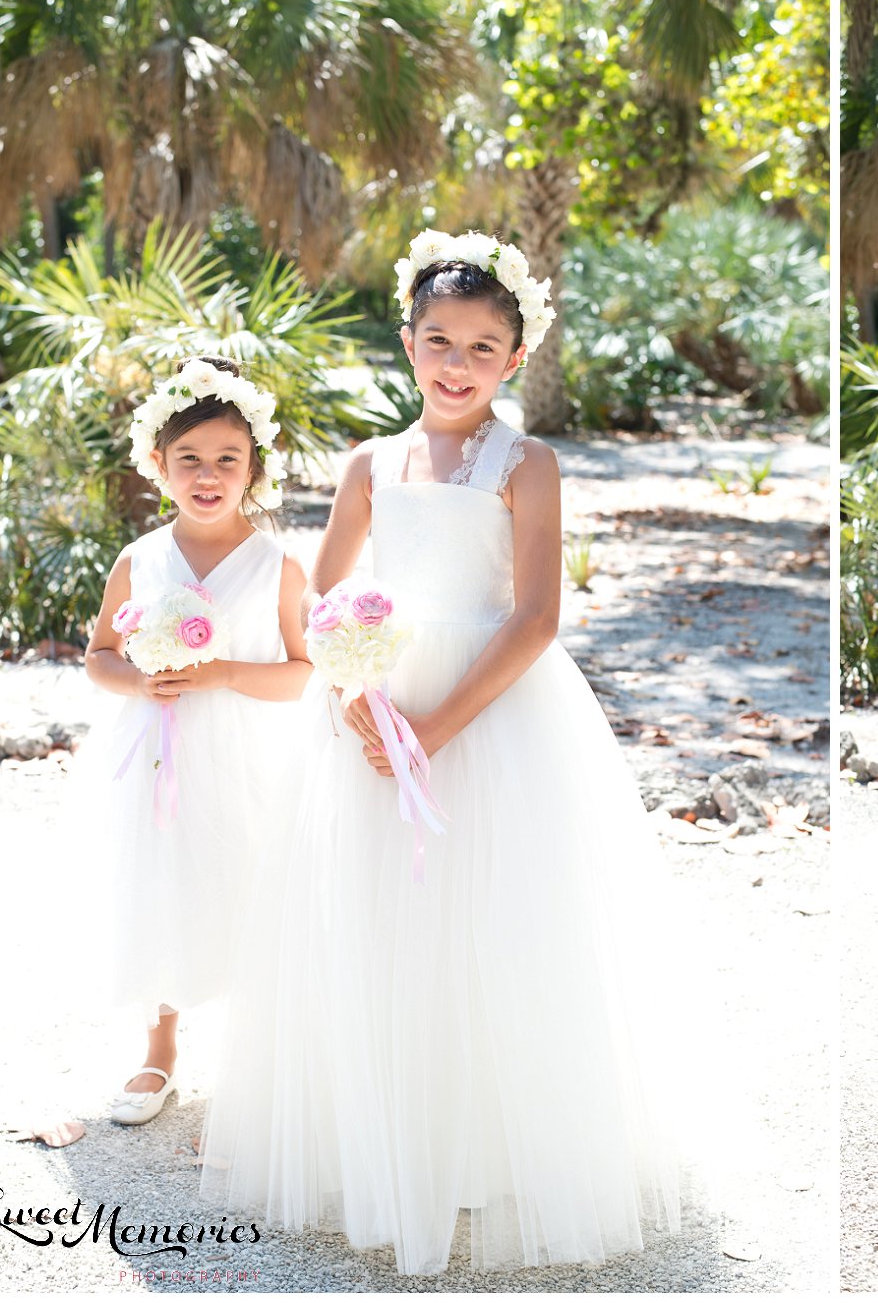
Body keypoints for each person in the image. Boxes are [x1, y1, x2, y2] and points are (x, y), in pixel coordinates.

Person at [200, 231, 686, 1273]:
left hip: (491, 709)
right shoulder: (371, 463)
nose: (455, 363)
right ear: (407, 344)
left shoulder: (529, 462)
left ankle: (487, 1138)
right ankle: (385, 1132)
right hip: (377, 697)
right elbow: (322, 601)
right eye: (437, 340)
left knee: (492, 915)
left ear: (515, 357)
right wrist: (355, 698)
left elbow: (537, 613)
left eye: (481, 345)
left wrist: (438, 725)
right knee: (379, 917)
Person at [82, 355, 311, 1125]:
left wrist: (221, 673)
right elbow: (99, 657)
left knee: (247, 884)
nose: (208, 475)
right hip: (160, 754)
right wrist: (142, 682)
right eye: (190, 460)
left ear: (254, 468)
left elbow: (303, 672)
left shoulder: (278, 566)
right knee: (163, 884)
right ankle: (160, 1050)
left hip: (245, 753)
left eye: (227, 460)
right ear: (159, 464)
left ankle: (257, 1064)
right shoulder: (140, 560)